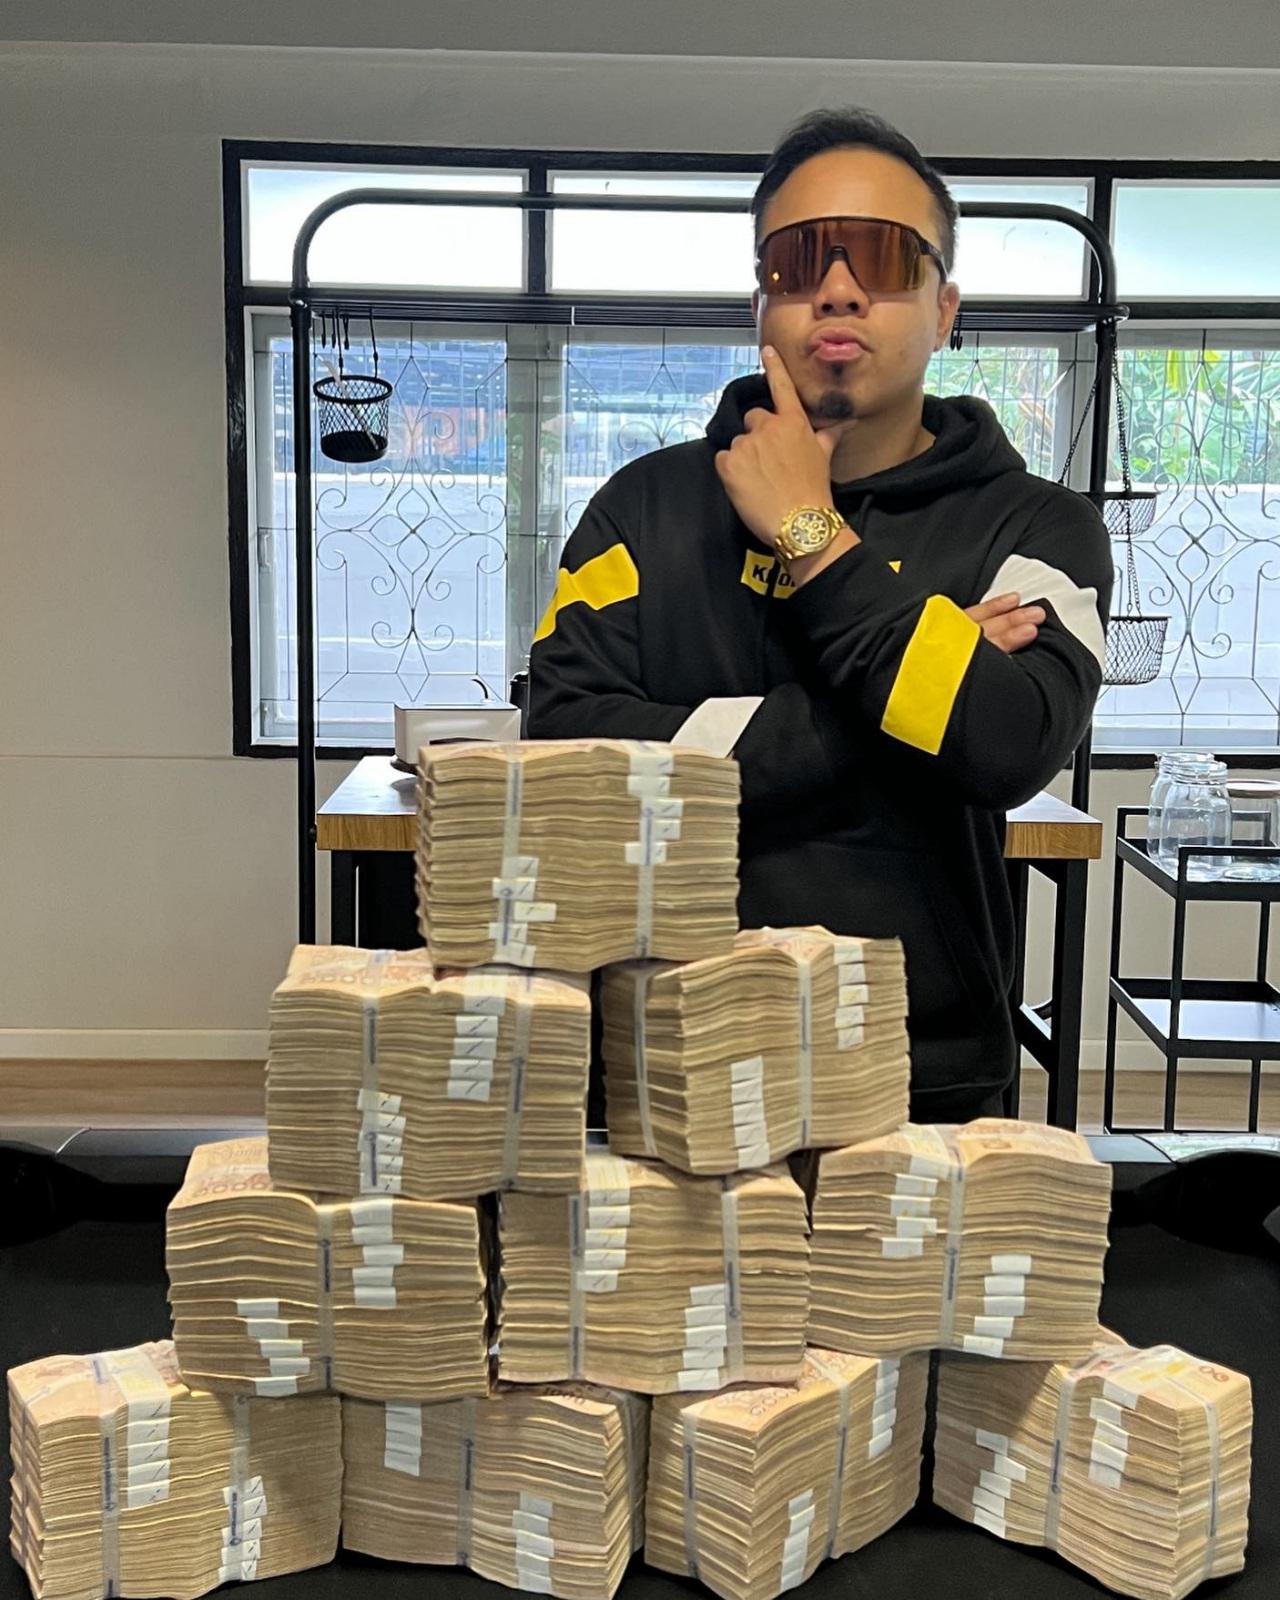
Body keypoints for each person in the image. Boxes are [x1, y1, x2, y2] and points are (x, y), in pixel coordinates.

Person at [527, 106, 1112, 1123]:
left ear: (943, 308)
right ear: (760, 301)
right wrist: (902, 699)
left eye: (883, 258)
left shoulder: (1039, 526)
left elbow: (1006, 742)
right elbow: (569, 755)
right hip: (658, 1054)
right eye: (797, 261)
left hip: (919, 1066)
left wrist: (812, 535)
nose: (837, 288)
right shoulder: (640, 509)